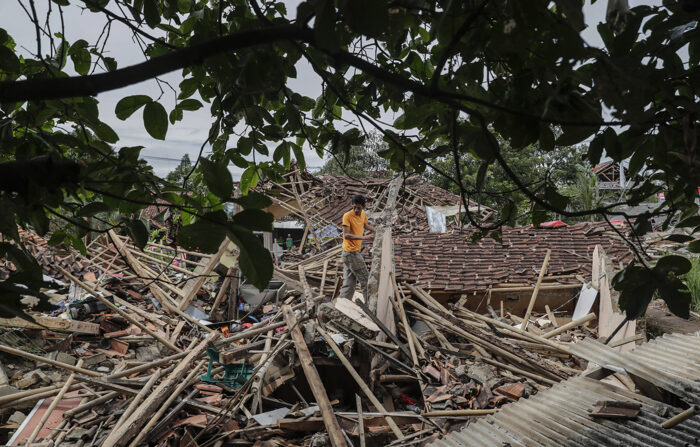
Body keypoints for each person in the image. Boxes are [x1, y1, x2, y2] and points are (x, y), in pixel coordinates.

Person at [339, 195, 375, 302]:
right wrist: (365, 237)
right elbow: (346, 235)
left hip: (350, 254)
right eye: (354, 207)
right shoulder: (347, 216)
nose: (356, 210)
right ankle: (370, 308)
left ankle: (342, 307)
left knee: (349, 284)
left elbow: (365, 225)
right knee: (365, 280)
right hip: (351, 253)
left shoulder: (363, 214)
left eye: (358, 208)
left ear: (364, 206)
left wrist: (376, 230)